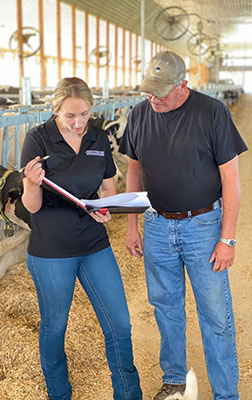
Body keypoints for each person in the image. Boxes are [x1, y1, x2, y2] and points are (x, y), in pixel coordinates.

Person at [119, 51, 248, 400]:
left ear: (183, 86)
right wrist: (132, 226)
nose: (153, 98)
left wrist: (228, 239)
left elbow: (231, 180)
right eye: (149, 90)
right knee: (165, 308)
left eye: (161, 92)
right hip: (157, 226)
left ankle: (225, 394)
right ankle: (174, 381)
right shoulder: (139, 113)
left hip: (203, 226)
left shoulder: (212, 112)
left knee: (215, 314)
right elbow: (133, 169)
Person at [20, 77, 142, 400]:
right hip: (51, 252)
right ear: (55, 110)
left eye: (84, 114)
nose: (78, 123)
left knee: (119, 325)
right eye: (69, 116)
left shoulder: (99, 138)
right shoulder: (38, 140)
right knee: (55, 329)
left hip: (93, 244)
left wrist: (105, 210)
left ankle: (129, 395)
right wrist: (31, 185)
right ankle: (59, 395)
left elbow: (107, 189)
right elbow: (31, 206)